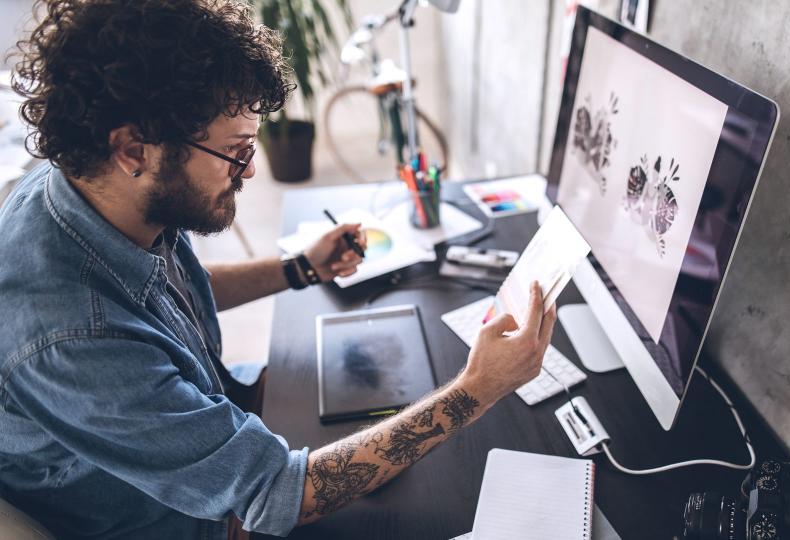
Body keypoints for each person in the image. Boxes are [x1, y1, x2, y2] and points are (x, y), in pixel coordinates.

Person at [0, 1, 557, 538]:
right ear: (134, 150)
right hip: (189, 520)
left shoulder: (86, 187)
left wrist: (300, 269)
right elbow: (279, 494)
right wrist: (479, 388)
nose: (248, 171)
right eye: (236, 152)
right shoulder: (70, 336)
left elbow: (165, 299)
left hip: (213, 440)